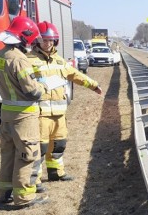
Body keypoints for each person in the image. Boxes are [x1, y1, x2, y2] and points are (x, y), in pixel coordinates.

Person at [27, 21, 103, 185]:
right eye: (44, 40)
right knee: (40, 148)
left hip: (59, 114)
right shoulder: (29, 60)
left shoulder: (59, 61)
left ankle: (56, 173)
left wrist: (93, 85)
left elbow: (75, 75)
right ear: (37, 40)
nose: (48, 43)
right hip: (41, 114)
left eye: (51, 40)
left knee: (59, 145)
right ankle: (35, 180)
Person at [0, 16, 48, 208]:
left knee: (8, 154)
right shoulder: (19, 60)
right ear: (25, 38)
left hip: (6, 115)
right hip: (24, 116)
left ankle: (5, 192)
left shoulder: (0, 55)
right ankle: (24, 198)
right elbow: (32, 91)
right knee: (27, 154)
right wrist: (44, 88)